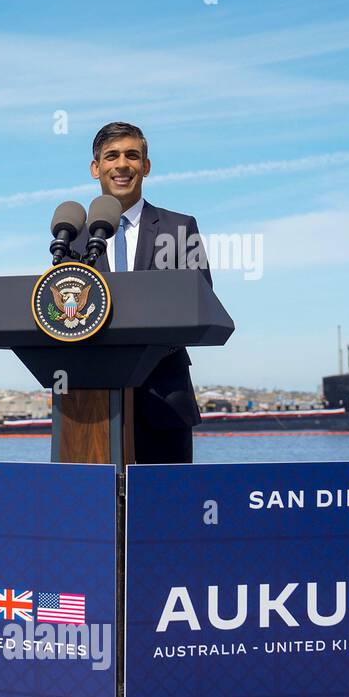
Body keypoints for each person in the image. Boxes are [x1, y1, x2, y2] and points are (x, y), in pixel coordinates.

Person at [74, 122, 211, 464]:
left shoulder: (179, 228)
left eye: (132, 155)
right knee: (95, 511)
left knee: (165, 510)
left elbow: (201, 300)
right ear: (96, 168)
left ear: (145, 166)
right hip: (89, 406)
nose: (122, 164)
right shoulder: (72, 237)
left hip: (163, 399)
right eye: (112, 156)